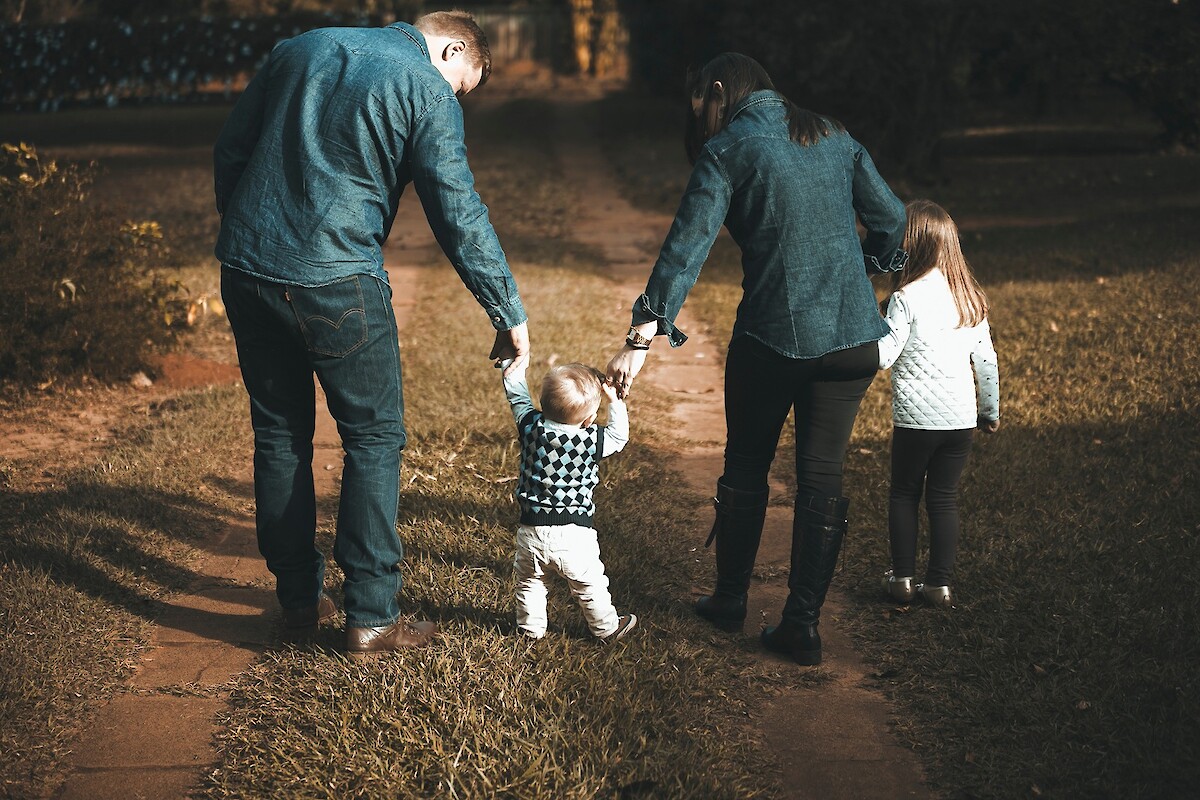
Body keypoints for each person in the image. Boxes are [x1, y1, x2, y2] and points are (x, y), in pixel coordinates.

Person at [213, 11, 530, 660]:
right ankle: (373, 616)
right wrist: (506, 310)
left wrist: (252, 235)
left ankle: (299, 600)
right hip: (338, 280)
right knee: (374, 437)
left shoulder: (298, 48)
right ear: (451, 47)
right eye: (462, 85)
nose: (456, 98)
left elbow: (231, 149)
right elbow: (457, 209)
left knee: (279, 433)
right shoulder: (425, 87)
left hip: (247, 268)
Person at [606, 53, 907, 666]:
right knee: (822, 475)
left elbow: (684, 250)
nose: (705, 122)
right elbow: (894, 222)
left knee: (746, 464)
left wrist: (639, 341)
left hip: (773, 340)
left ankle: (729, 601)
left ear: (718, 91)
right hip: (853, 343)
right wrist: (866, 270)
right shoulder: (833, 133)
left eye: (703, 108)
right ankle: (802, 626)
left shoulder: (730, 149)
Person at [878, 200, 1000, 608]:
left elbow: (884, 356)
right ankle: (939, 586)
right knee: (944, 498)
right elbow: (985, 361)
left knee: (904, 494)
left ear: (910, 245)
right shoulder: (969, 299)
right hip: (960, 421)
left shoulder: (905, 298)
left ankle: (902, 580)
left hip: (915, 422)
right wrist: (989, 412)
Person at [500, 360, 637, 642]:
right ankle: (607, 628)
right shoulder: (592, 440)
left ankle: (530, 630)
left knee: (530, 583)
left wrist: (512, 365)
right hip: (575, 535)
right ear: (588, 420)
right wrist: (615, 401)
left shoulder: (530, 427)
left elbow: (517, 396)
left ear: (543, 404)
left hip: (531, 532)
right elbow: (619, 436)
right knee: (590, 585)